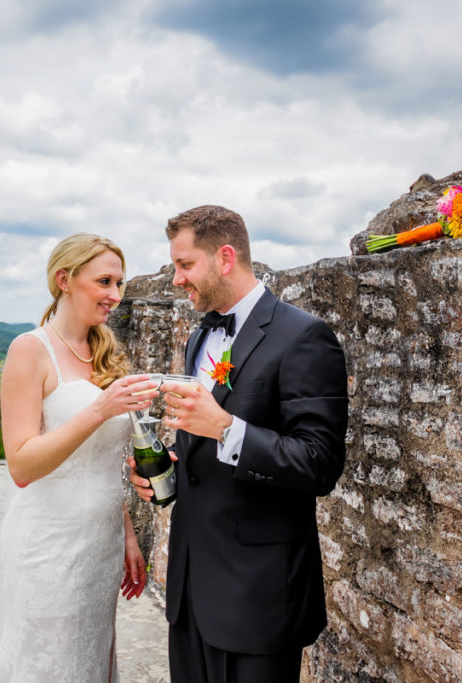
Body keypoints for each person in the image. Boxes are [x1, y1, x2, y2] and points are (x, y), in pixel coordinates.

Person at [128, 205, 349, 682]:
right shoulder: (200, 334)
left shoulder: (304, 337)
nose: (175, 280)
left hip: (258, 595)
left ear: (225, 257)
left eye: (185, 265)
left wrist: (227, 430)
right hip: (190, 591)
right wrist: (168, 471)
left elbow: (320, 463)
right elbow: (204, 445)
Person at [0, 232, 160, 682]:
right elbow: (21, 466)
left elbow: (101, 463)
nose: (115, 296)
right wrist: (102, 408)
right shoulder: (29, 350)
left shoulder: (104, 351)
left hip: (100, 543)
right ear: (64, 279)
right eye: (104, 282)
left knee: (90, 659)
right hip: (48, 545)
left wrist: (128, 536)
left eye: (119, 283)